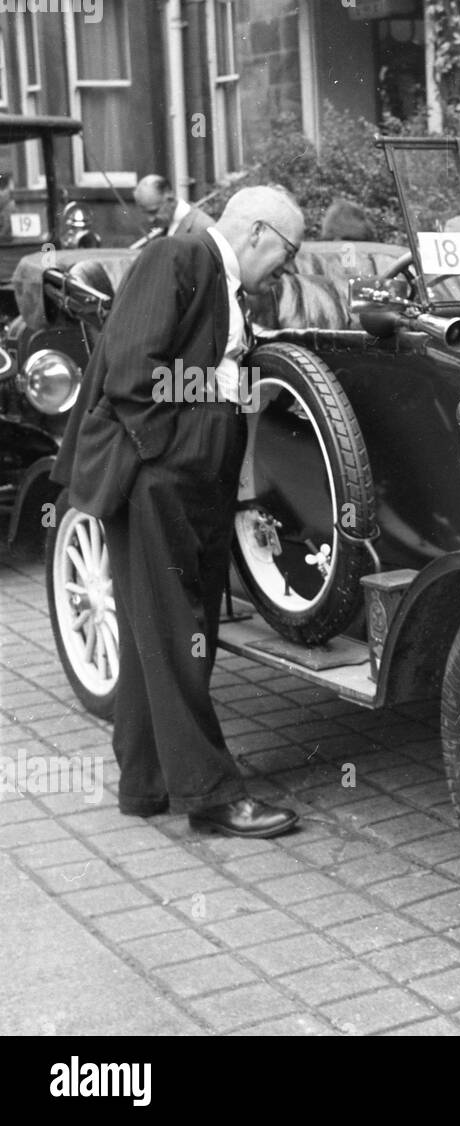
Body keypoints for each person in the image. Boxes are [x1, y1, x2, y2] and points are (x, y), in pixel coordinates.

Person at [51, 186, 306, 839]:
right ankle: (212, 795)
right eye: (283, 257)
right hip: (159, 479)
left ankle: (146, 783)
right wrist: (172, 455)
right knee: (176, 633)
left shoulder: (212, 276)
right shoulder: (178, 257)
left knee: (153, 637)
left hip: (183, 478)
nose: (281, 272)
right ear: (256, 235)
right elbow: (133, 373)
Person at [132, 174, 215, 244]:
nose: (150, 219)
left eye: (154, 211)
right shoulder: (165, 226)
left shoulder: (203, 228)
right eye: (145, 213)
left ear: (170, 198)